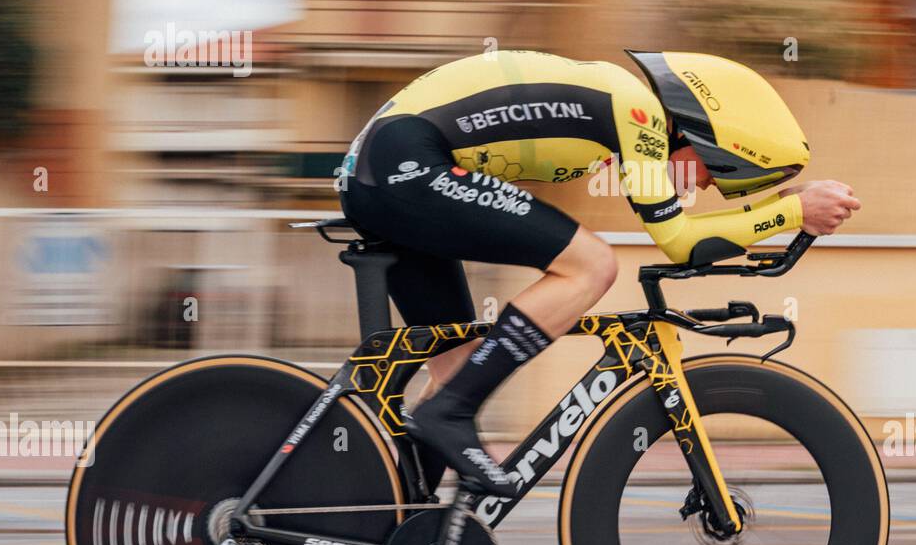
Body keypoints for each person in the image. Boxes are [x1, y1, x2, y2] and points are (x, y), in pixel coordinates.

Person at [339, 50, 859, 495]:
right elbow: (680, 243)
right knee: (591, 265)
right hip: (403, 164)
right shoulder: (637, 114)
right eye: (714, 174)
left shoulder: (622, 116)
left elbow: (685, 233)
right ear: (703, 140)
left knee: (458, 371)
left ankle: (400, 522)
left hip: (392, 168)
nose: (702, 188)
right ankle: (447, 415)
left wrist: (781, 207)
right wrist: (792, 214)